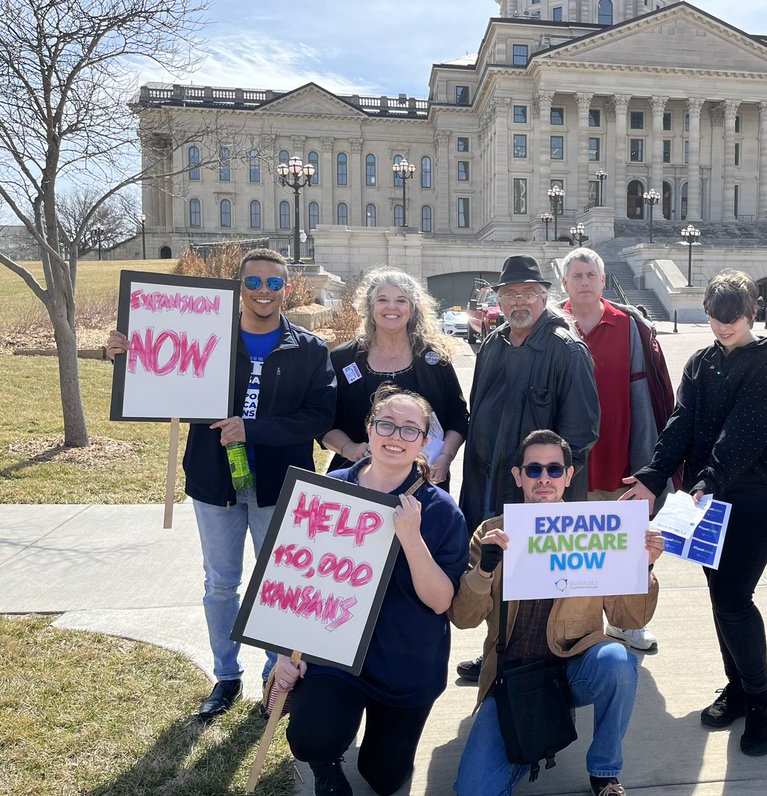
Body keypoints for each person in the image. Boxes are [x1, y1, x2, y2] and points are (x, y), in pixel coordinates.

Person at [106, 248, 336, 722]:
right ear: (238, 287)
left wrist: (254, 430)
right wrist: (123, 357)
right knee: (220, 585)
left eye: (274, 284)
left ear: (287, 289)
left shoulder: (309, 349)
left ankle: (276, 679)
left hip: (280, 485)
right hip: (215, 481)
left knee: (277, 588)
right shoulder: (204, 336)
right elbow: (160, 376)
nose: (264, 292)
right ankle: (226, 676)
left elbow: (318, 416)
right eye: (253, 283)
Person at [621, 270, 767, 757]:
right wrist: (654, 476)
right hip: (706, 499)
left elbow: (743, 433)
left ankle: (762, 700)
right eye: (716, 318)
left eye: (733, 319)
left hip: (755, 496)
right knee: (720, 597)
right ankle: (737, 688)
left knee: (736, 597)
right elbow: (681, 422)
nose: (723, 327)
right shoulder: (700, 361)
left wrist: (706, 482)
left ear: (752, 312)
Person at [275, 387, 469, 795]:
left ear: (423, 441)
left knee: (383, 777)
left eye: (410, 429)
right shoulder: (329, 490)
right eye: (386, 424)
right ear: (369, 427)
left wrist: (412, 540)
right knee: (310, 736)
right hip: (338, 656)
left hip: (406, 662)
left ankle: (382, 747)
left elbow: (440, 601)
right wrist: (283, 652)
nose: (396, 436)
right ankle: (327, 765)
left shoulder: (440, 509)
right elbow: (294, 576)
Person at [450, 430, 663, 796]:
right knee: (473, 790)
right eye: (534, 470)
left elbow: (630, 620)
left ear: (569, 475)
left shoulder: (598, 530)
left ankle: (604, 771)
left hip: (574, 666)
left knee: (617, 660)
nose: (544, 478)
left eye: (554, 469)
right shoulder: (492, 532)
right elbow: (463, 618)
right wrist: (483, 571)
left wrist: (642, 567)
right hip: (512, 674)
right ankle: (526, 745)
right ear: (518, 476)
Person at [457, 254, 600, 681]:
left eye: (528, 294)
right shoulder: (494, 342)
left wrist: (541, 484)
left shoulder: (566, 350)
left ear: (544, 298)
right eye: (509, 294)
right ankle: (497, 652)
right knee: (493, 572)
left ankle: (538, 669)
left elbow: (581, 432)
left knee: (534, 590)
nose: (518, 302)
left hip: (536, 494)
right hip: (487, 482)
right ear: (498, 300)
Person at [561, 248, 675, 651]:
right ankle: (578, 626)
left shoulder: (630, 326)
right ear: (564, 284)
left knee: (627, 547)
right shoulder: (553, 326)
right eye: (576, 276)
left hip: (622, 462)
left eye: (590, 274)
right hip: (569, 470)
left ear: (603, 280)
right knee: (577, 554)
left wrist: (652, 466)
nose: (584, 282)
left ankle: (627, 625)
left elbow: (655, 396)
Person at [322, 268, 468, 489]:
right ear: (370, 307)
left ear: (413, 309)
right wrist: (349, 448)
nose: (392, 307)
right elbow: (322, 420)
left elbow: (458, 418)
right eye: (383, 300)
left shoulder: (435, 359)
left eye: (401, 300)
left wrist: (445, 457)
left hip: (422, 479)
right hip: (355, 481)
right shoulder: (343, 359)